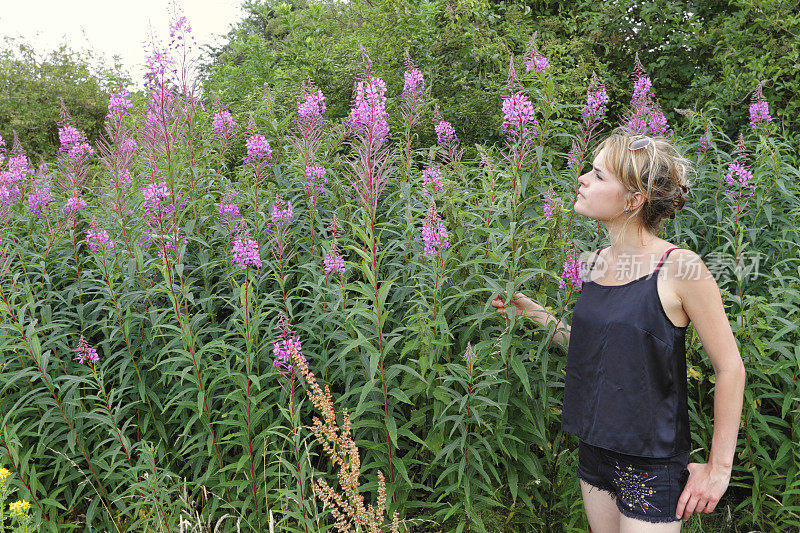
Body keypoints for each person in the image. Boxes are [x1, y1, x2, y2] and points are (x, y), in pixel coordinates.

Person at [492, 127, 746, 532]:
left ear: (633, 199)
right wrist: (535, 314)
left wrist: (718, 468)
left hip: (650, 461)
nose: (582, 179)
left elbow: (730, 368)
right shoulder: (596, 262)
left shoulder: (681, 267)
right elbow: (603, 347)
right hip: (594, 451)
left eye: (598, 175)